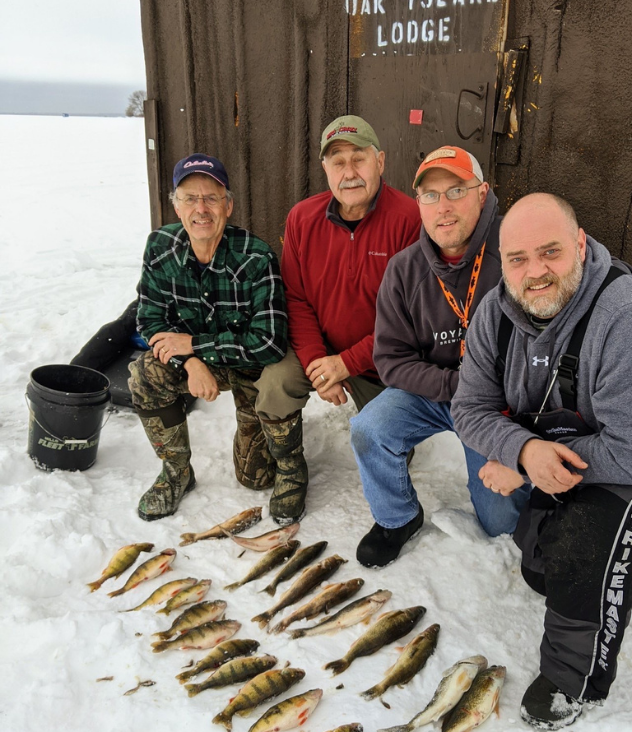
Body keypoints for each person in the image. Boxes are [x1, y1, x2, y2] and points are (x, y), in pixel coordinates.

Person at [452, 192, 632, 729]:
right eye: (518, 259)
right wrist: (524, 448)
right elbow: (468, 407)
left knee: (584, 545)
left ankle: (573, 679)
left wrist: (526, 464)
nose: (535, 273)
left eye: (550, 252)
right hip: (572, 442)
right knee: (540, 568)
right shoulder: (495, 313)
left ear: (580, 244)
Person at [350, 146, 531, 568]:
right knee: (368, 429)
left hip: (496, 405)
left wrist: (486, 398)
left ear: (483, 193)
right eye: (430, 195)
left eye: (456, 190)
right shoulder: (404, 268)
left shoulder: (516, 250)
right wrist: (456, 388)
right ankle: (397, 518)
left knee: (501, 523)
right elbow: (392, 361)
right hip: (439, 389)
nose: (442, 207)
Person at [250, 115, 420, 523]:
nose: (350, 172)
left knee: (390, 429)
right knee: (275, 382)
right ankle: (290, 470)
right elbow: (296, 297)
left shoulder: (409, 219)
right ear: (325, 169)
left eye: (359, 159)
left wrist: (347, 363)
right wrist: (315, 363)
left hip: (383, 356)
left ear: (380, 161)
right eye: (338, 161)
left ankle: (394, 442)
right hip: (320, 345)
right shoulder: (302, 218)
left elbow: (409, 316)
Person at [128, 153, 287, 521]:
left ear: (227, 206)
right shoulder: (159, 247)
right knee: (145, 373)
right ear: (176, 206)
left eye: (211, 197)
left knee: (256, 480)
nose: (201, 208)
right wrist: (191, 361)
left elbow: (270, 342)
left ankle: (263, 437)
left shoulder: (256, 256)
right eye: (189, 198)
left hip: (250, 368)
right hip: (199, 362)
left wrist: (196, 344)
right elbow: (149, 320)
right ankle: (176, 474)